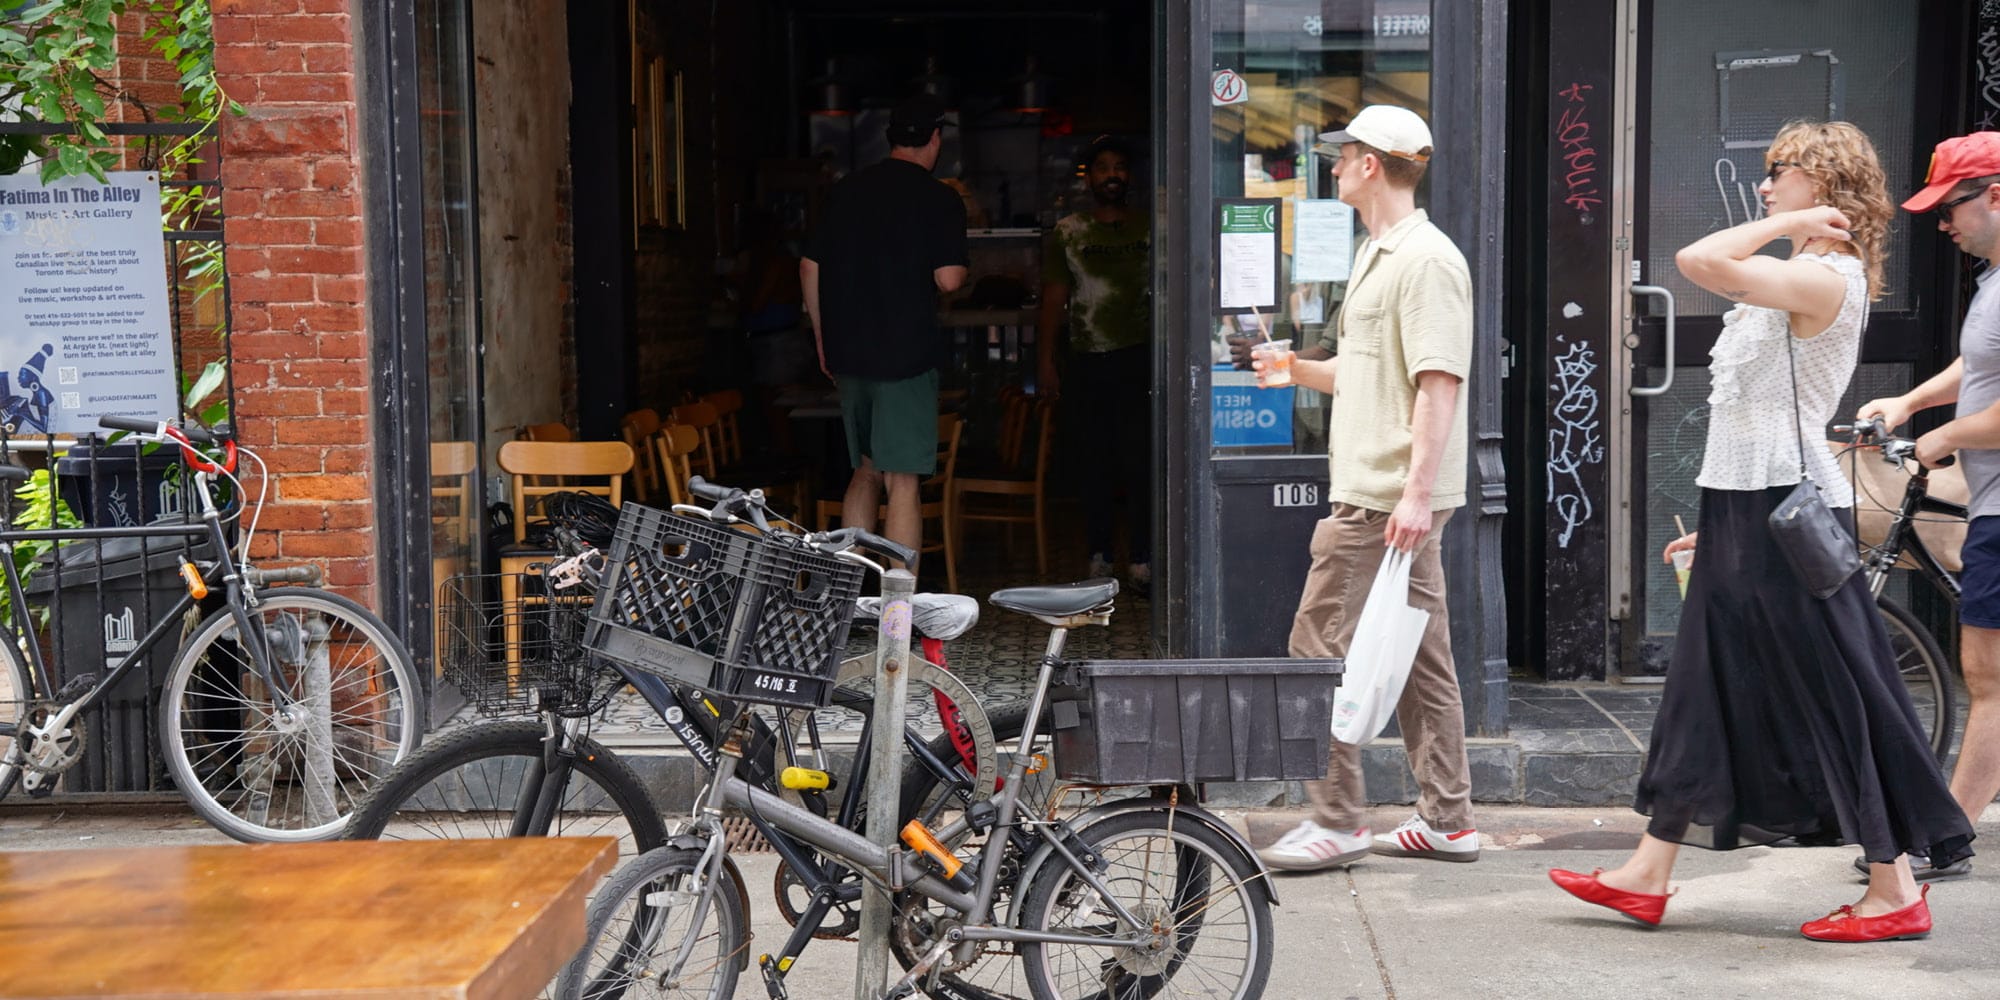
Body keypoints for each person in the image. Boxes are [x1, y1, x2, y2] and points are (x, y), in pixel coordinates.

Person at [1549, 121, 1974, 942]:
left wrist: (1790, 227)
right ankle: (1647, 870)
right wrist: (1721, 532)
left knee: (1838, 687)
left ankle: (1893, 889)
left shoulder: (1827, 276)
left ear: (1820, 183)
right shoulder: (1793, 275)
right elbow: (1745, 406)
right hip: (1746, 502)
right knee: (1701, 686)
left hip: (1783, 500)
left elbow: (1697, 262)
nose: (1765, 187)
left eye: (1778, 174)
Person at [1250, 105, 1480, 872]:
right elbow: (1365, 371)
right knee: (1421, 661)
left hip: (1383, 498)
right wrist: (1295, 370)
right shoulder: (1377, 252)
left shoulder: (1426, 260)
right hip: (1387, 492)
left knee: (1313, 649)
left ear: (1373, 164)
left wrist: (1415, 494)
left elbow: (1439, 382)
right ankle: (1448, 820)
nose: (1334, 166)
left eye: (1342, 155)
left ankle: (1338, 818)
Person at [1854, 130, 2000, 882]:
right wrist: (1911, 400)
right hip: (1992, 502)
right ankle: (1948, 827)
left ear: (1997, 195)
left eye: (1952, 205)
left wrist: (1937, 438)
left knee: (1988, 675)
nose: (1943, 222)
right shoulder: (1992, 281)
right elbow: (1977, 370)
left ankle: (1947, 832)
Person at [800, 95, 969, 559]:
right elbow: (949, 277)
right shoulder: (939, 197)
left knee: (865, 471)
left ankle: (853, 598)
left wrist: (823, 341)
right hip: (905, 356)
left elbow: (809, 267)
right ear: (935, 139)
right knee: (902, 482)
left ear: (892, 138)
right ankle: (896, 615)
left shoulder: (847, 189)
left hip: (850, 355)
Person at [1037, 135, 1153, 591]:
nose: (1112, 175)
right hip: (1086, 359)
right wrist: (1045, 363)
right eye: (1103, 167)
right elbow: (1053, 299)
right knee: (1094, 463)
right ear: (1089, 177)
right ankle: (1099, 555)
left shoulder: (1151, 227)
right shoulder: (1069, 231)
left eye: (1119, 166)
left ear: (1130, 175)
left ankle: (1142, 558)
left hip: (1141, 358)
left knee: (1140, 461)